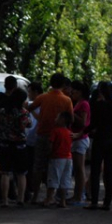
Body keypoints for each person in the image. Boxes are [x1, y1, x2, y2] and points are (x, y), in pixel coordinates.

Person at [26, 73, 74, 204]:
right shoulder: (67, 100)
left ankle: (35, 195)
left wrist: (40, 117)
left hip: (42, 135)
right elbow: (71, 119)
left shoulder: (43, 97)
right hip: (60, 137)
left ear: (51, 83)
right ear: (63, 85)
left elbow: (29, 108)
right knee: (57, 166)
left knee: (38, 167)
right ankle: (56, 197)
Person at [85, 81, 112, 211]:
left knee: (96, 171)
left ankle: (94, 201)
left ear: (100, 91)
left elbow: (92, 124)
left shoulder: (97, 106)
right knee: (108, 172)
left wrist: (82, 132)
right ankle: (107, 202)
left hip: (100, 139)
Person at [0, 87, 31, 207]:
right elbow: (25, 126)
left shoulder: (1, 112)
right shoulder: (23, 112)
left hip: (4, 144)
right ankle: (20, 199)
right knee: (21, 173)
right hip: (20, 145)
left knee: (5, 172)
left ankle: (5, 200)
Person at [43, 111, 73, 208]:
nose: (55, 119)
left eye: (57, 117)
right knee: (65, 180)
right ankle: (62, 201)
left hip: (57, 157)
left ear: (62, 120)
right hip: (68, 158)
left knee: (53, 178)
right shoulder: (69, 132)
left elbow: (51, 144)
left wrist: (48, 153)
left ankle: (48, 199)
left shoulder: (55, 131)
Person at [68, 80, 91, 205]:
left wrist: (71, 112)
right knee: (77, 169)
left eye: (74, 91)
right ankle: (77, 195)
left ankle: (79, 196)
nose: (72, 93)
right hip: (76, 138)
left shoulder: (83, 104)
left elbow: (83, 122)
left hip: (80, 138)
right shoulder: (79, 103)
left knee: (79, 168)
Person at [24, 81, 43, 202]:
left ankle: (35, 190)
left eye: (30, 92)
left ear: (36, 92)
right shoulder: (29, 104)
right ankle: (30, 190)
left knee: (38, 167)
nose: (29, 94)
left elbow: (40, 119)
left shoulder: (43, 103)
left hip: (39, 139)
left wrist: (30, 110)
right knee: (29, 167)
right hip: (29, 140)